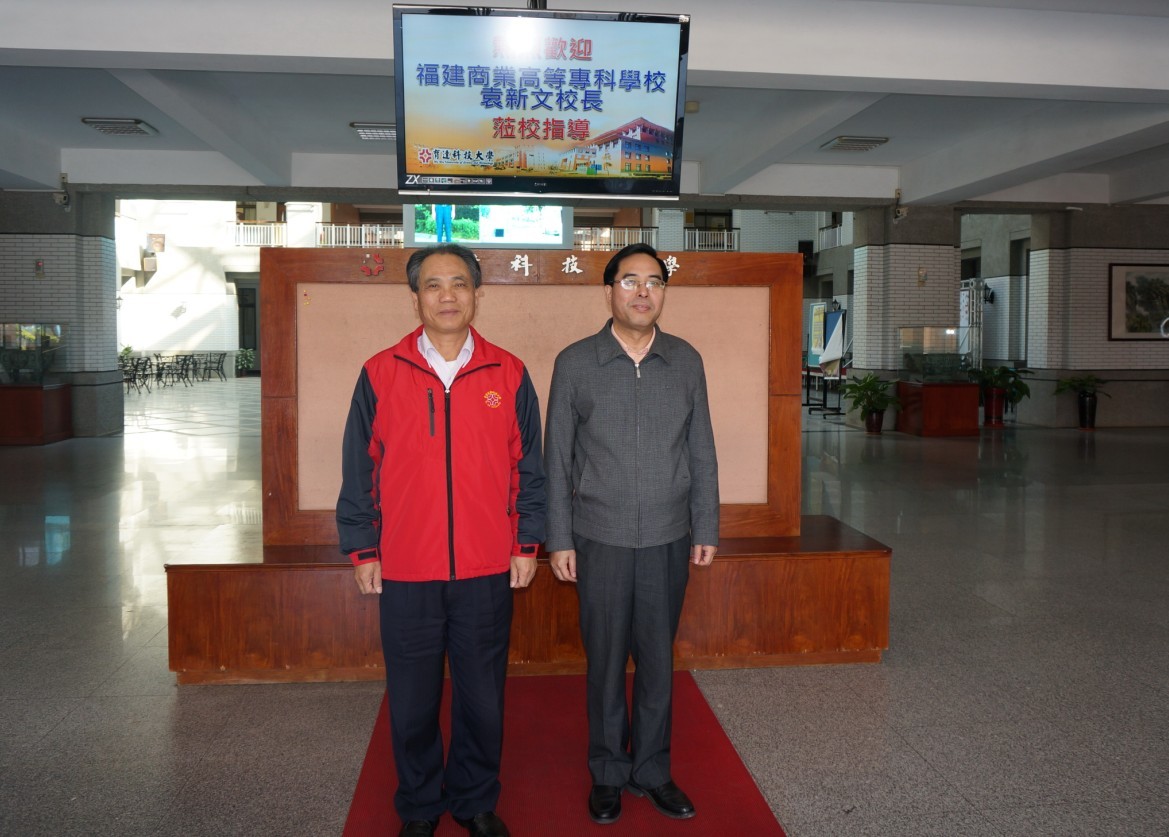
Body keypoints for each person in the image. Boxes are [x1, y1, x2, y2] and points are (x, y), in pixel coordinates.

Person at [337, 243, 546, 837]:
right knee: (412, 702)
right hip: (407, 569)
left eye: (459, 283)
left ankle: (475, 800)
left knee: (482, 699)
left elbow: (530, 468)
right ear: (416, 298)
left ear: (477, 294)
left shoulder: (509, 373)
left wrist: (526, 542)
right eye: (433, 285)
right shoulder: (380, 372)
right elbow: (359, 467)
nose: (447, 295)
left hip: (486, 568)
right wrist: (363, 547)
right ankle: (420, 805)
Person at [544, 242, 719, 825]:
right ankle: (607, 772)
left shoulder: (685, 360)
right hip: (599, 536)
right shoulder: (576, 362)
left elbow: (702, 449)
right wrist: (559, 537)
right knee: (604, 661)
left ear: (663, 293)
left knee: (658, 661)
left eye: (654, 282)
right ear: (609, 291)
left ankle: (652, 769)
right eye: (629, 281)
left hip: (669, 536)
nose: (643, 292)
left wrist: (705, 523)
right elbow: (556, 458)